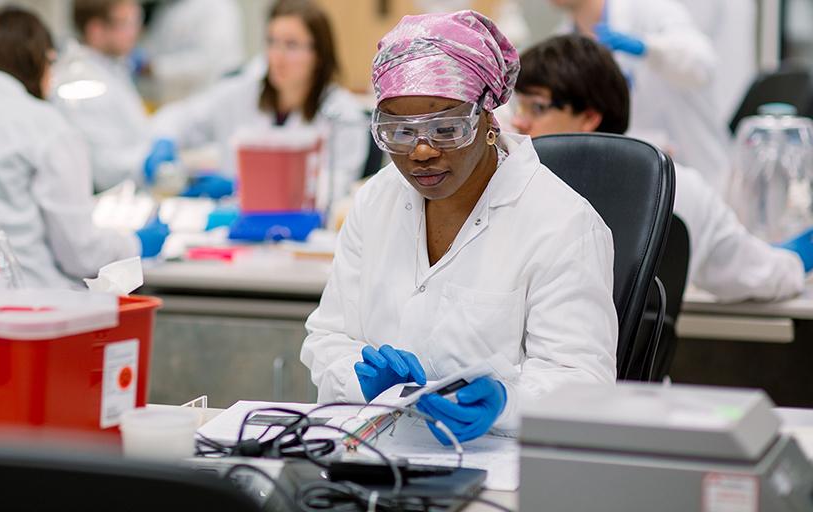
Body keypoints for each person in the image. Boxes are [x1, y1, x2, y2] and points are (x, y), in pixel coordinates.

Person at [300, 11, 617, 444]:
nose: (422, 151)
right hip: (376, 453)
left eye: (447, 128)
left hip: (500, 468)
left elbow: (584, 384)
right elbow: (328, 336)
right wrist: (365, 380)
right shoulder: (377, 199)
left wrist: (507, 402)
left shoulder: (563, 224)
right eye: (399, 131)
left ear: (488, 119)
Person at [510, 34, 812, 302]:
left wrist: (795, 259)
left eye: (537, 107)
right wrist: (794, 261)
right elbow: (753, 272)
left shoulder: (674, 188)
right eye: (518, 106)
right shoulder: (673, 183)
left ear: (590, 116)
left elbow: (752, 270)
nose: (519, 122)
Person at [0, 6, 168, 289]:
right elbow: (80, 254)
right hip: (35, 301)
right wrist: (134, 243)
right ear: (39, 61)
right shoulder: (48, 127)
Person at [149, 0, 368, 201]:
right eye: (272, 42)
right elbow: (180, 117)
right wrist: (164, 142)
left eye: (291, 45)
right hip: (232, 224)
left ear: (319, 54)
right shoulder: (241, 92)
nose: (277, 56)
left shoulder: (342, 115)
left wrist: (241, 187)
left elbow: (331, 191)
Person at [551, 0, 732, 190]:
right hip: (626, 175)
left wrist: (647, 48)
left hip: (690, 167)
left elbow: (703, 66)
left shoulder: (650, 11)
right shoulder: (563, 39)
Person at [51, 0, 153, 191]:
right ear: (96, 30)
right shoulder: (78, 81)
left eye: (136, 21)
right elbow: (101, 168)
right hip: (106, 199)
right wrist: (148, 161)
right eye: (126, 23)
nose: (135, 32)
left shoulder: (111, 68)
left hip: (127, 194)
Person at [135, 0, 246, 104]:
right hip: (175, 104)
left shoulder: (217, 6)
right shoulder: (168, 8)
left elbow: (207, 61)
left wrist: (156, 67)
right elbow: (155, 46)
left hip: (210, 97)